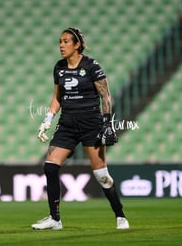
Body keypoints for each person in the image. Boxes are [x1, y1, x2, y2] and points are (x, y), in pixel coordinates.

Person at [31, 27, 129, 230]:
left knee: (102, 175)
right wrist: (47, 119)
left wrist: (107, 123)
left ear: (77, 45)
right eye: (60, 41)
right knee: (50, 166)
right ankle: (55, 219)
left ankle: (120, 215)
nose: (61, 45)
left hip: (90, 124)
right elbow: (57, 97)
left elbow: (105, 95)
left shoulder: (92, 66)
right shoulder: (59, 67)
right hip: (67, 123)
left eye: (66, 41)